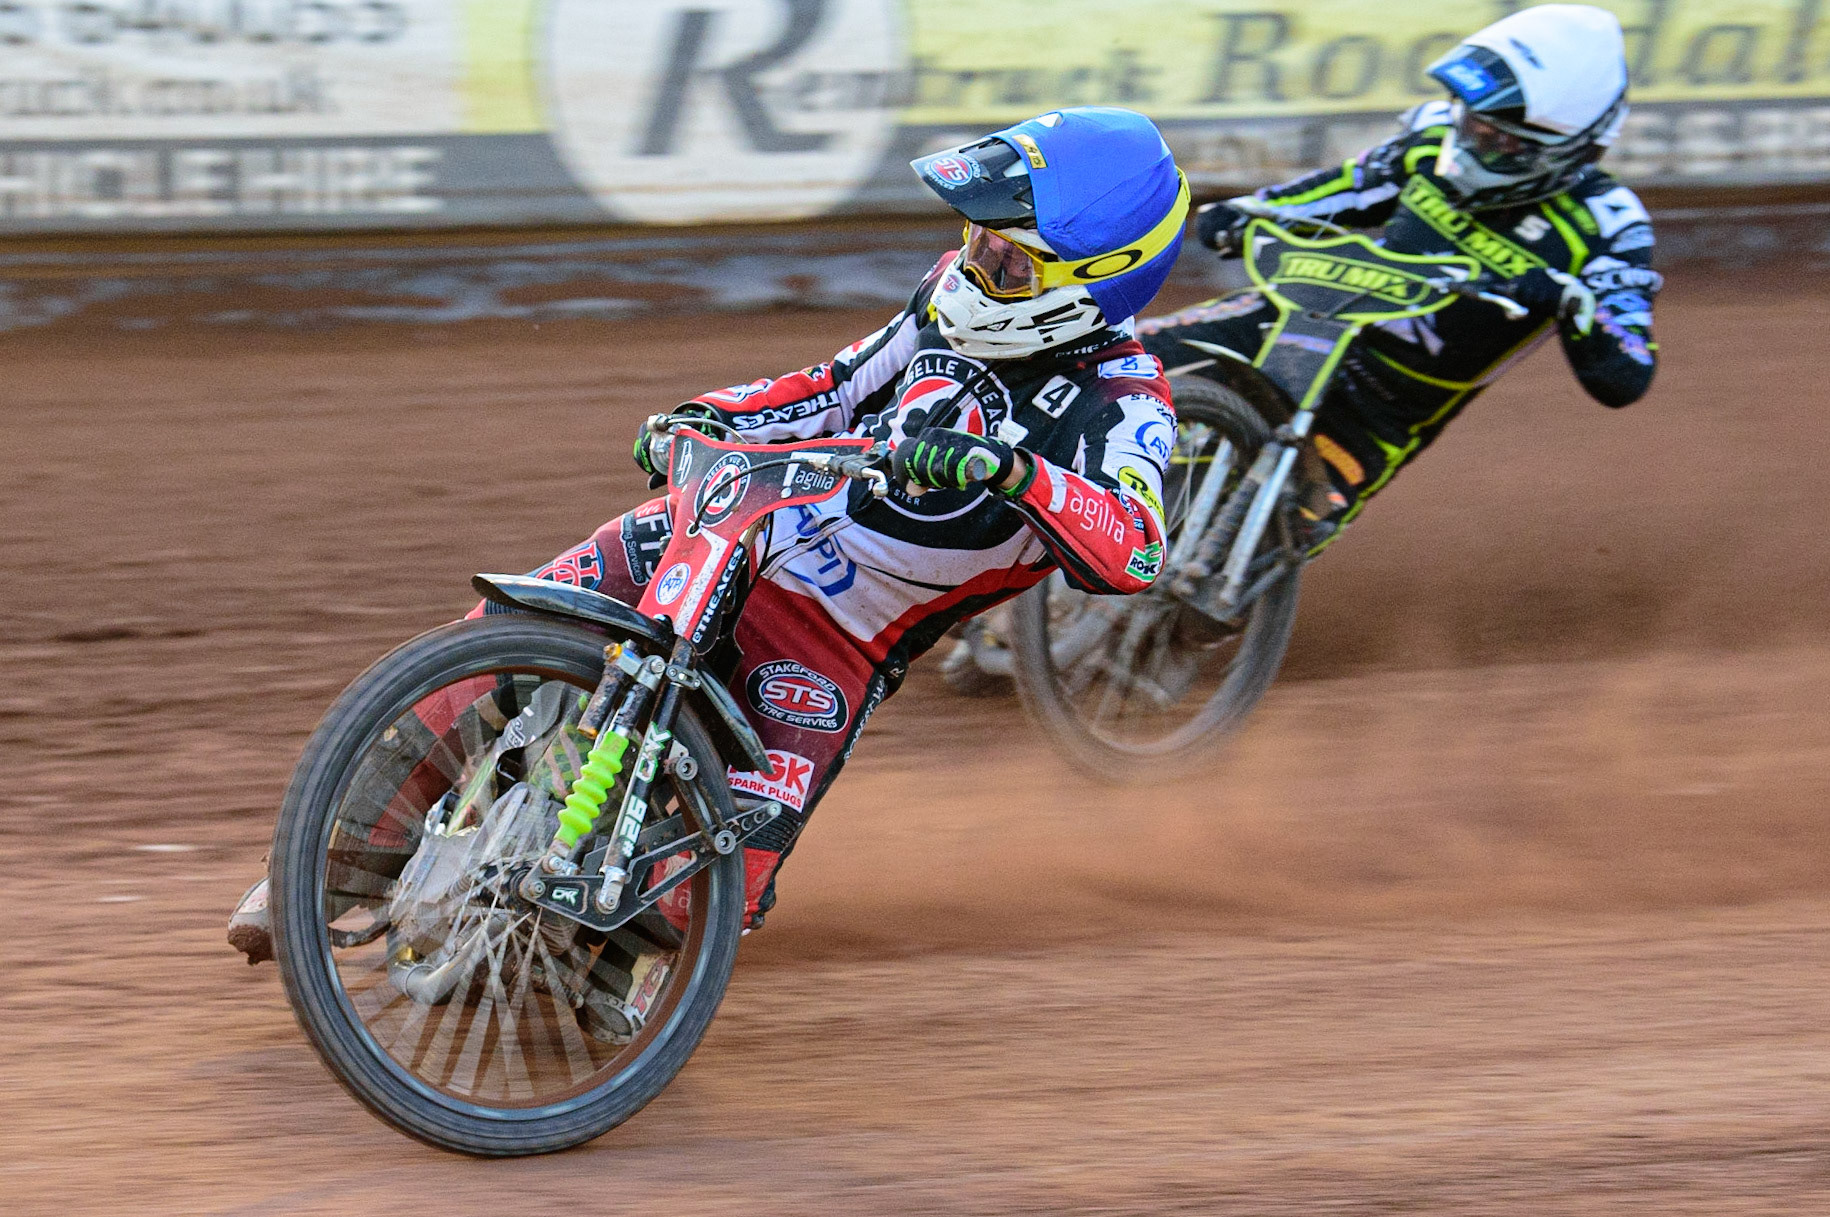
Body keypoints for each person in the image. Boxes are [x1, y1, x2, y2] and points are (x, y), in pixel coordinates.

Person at [227, 105, 1190, 963]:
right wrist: (709, 416)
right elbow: (832, 386)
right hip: (737, 520)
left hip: (836, 638)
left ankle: (590, 987)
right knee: (495, 643)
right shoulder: (949, 295)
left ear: (1093, 277)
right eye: (977, 238)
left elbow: (1138, 546)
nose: (978, 262)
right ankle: (332, 863)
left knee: (695, 903)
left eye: (1008, 256)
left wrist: (1012, 473)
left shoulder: (1126, 404)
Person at [1139, 3, 1660, 548]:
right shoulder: (1432, 141)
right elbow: (1337, 191)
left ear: (1570, 148)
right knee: (1113, 366)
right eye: (1472, 124)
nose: (1473, 145)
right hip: (1302, 316)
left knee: (1286, 535)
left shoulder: (1610, 227)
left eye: (1502, 142)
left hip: (1381, 405)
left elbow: (1627, 374)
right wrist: (1249, 210)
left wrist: (1573, 302)